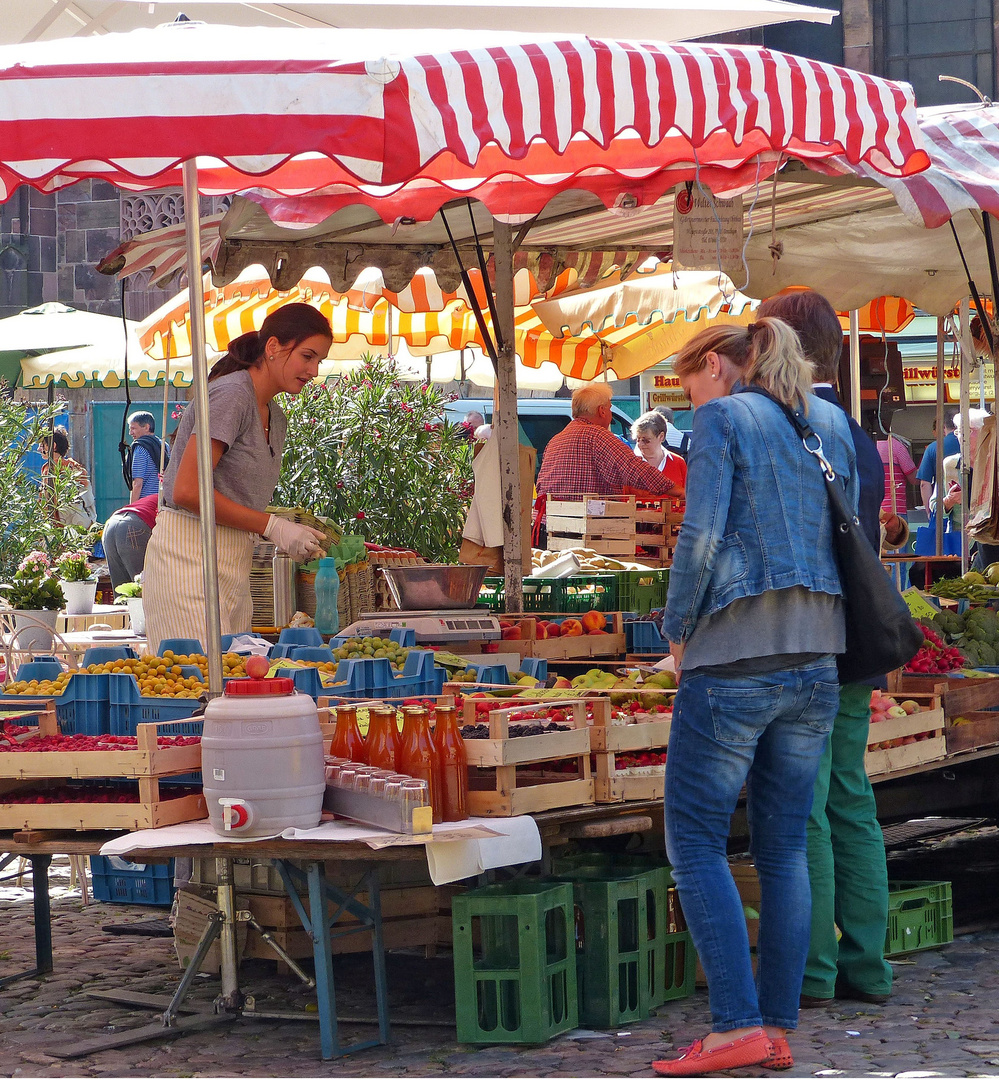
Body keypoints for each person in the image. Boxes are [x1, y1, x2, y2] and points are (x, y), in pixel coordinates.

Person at [652, 317, 857, 1077]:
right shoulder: (828, 421)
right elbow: (851, 532)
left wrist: (675, 631)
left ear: (715, 365)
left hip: (735, 654)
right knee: (782, 847)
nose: (689, 396)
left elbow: (700, 534)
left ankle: (734, 1024)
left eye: (688, 381)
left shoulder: (722, 417)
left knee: (695, 841)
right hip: (817, 654)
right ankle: (773, 1027)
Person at [759, 289, 893, 1012]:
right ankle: (866, 967)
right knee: (849, 797)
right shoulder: (857, 436)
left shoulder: (793, 426)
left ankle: (809, 973)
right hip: (856, 639)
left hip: (805, 636)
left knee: (802, 805)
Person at [142, 304, 333, 652]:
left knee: (233, 686)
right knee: (198, 687)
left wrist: (276, 527)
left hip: (233, 559)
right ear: (273, 347)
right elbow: (187, 490)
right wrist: (272, 526)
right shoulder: (233, 395)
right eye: (307, 356)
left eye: (319, 360)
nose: (314, 370)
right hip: (188, 556)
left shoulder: (275, 414)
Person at [535, 385, 683, 541]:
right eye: (610, 408)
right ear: (602, 410)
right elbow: (635, 469)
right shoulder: (599, 437)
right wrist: (677, 490)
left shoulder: (556, 440)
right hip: (587, 533)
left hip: (550, 529)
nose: (611, 415)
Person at [39, 425, 96, 529]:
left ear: (53, 446)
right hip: (78, 522)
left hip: (66, 523)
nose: (39, 449)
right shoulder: (75, 468)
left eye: (42, 445)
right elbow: (89, 499)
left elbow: (46, 501)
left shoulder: (52, 469)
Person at [102, 493, 158, 591]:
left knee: (121, 590)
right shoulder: (180, 501)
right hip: (134, 526)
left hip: (111, 523)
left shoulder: (164, 496)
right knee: (143, 589)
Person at [631, 410, 687, 487]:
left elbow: (687, 495)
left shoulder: (678, 463)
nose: (640, 444)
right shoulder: (630, 465)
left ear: (661, 436)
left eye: (646, 440)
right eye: (637, 439)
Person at [917, 410, 960, 511]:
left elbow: (924, 484)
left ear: (944, 427)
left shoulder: (932, 448)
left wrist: (929, 513)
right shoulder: (972, 444)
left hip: (943, 509)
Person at [124, 410, 169, 502]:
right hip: (163, 501)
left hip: (145, 504)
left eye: (133, 428)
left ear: (146, 427)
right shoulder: (164, 445)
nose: (130, 433)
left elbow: (137, 483)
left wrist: (132, 508)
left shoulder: (140, 448)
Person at [876, 432, 918, 518]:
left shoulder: (867, 445)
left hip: (873, 510)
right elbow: (914, 479)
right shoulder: (896, 446)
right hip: (895, 510)